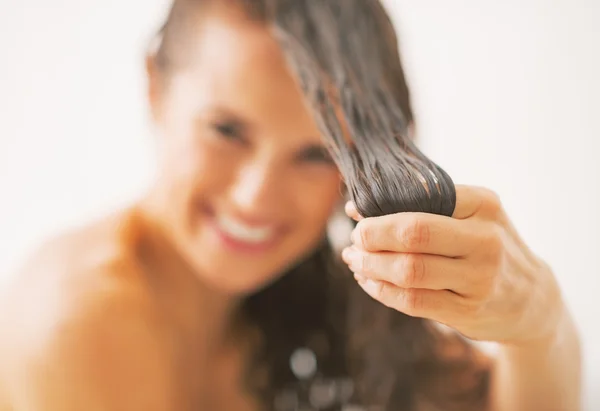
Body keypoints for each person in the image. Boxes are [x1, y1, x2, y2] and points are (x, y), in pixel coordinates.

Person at [0, 1, 581, 410]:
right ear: (154, 89)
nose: (256, 198)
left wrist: (537, 323)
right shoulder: (74, 320)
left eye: (315, 155)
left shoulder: (311, 293)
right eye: (226, 130)